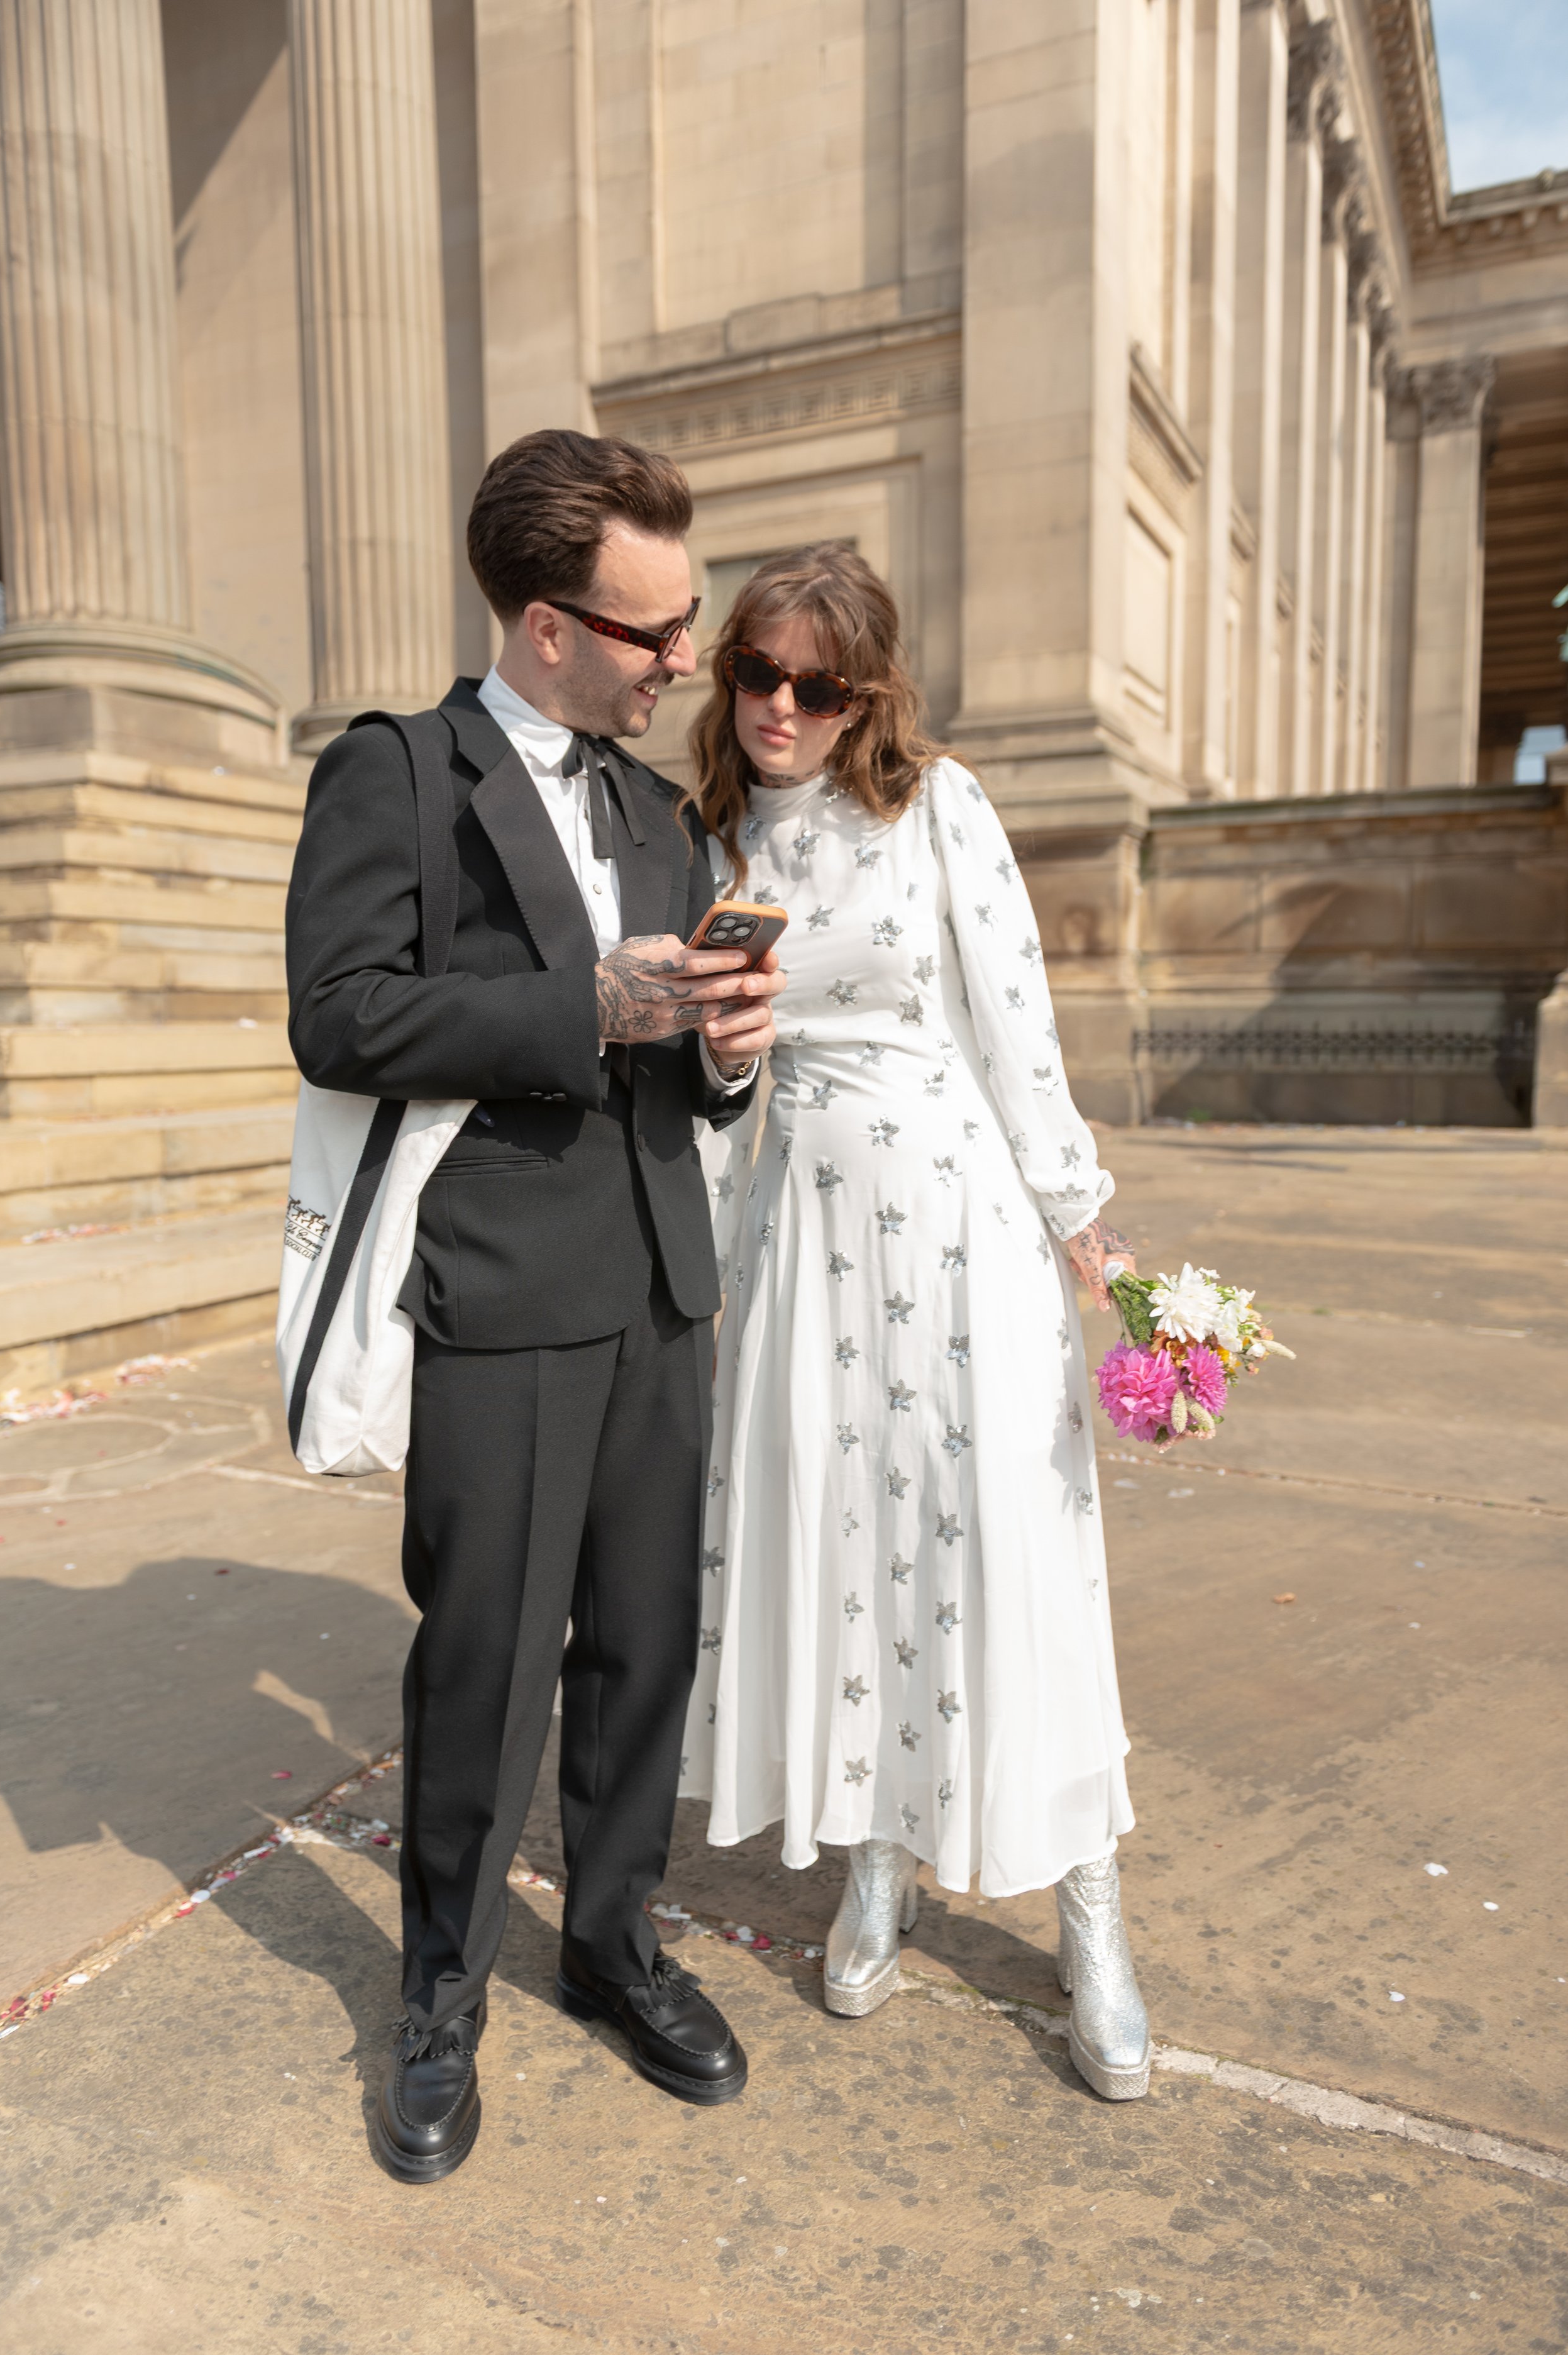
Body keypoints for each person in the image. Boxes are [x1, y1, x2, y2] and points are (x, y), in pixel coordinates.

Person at [286, 430, 785, 2181]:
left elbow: (684, 1060)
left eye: (684, 624)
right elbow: (339, 1014)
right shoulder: (396, 773)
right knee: (487, 1663)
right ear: (542, 621)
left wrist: (721, 1054)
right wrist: (583, 1001)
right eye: (650, 635)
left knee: (644, 1644)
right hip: (499, 1288)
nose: (680, 667)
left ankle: (613, 1938)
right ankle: (440, 1990)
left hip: (661, 1278)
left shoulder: (663, 814)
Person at [682, 544, 1151, 2101]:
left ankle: (1087, 1912)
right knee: (848, 1552)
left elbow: (1015, 1019)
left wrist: (1080, 1219)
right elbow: (708, 1089)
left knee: (999, 1550)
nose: (780, 707)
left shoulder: (934, 805)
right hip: (803, 1241)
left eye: (815, 684)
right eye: (756, 670)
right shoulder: (710, 838)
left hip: (958, 1233)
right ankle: (875, 1856)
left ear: (864, 692)